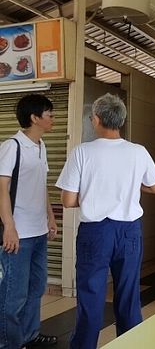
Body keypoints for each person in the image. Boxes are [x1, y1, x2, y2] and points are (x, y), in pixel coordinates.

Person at [56, 93, 155, 349]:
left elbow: (68, 200)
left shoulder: (82, 152)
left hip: (95, 233)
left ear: (96, 119)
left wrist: (95, 195)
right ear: (121, 120)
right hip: (129, 232)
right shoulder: (138, 152)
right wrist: (129, 188)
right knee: (128, 297)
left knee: (91, 298)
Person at [0, 94, 58, 349]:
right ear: (35, 118)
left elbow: (41, 186)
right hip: (18, 233)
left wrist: (51, 216)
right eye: (49, 114)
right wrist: (9, 227)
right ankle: (8, 343)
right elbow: (2, 188)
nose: (53, 119)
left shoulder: (41, 146)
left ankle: (29, 336)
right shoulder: (12, 146)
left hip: (38, 230)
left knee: (36, 288)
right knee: (14, 295)